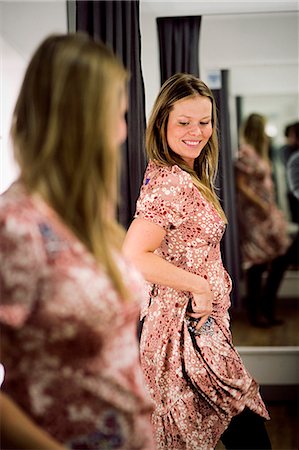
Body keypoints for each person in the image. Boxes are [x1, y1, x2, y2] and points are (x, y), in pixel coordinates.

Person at [0, 33, 155, 450]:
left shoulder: (88, 221)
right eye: (118, 115)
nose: (124, 132)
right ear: (78, 120)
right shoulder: (14, 226)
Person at [122, 73, 271, 450]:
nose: (197, 131)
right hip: (182, 334)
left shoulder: (185, 175)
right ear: (162, 124)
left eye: (204, 122)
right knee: (247, 432)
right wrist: (199, 286)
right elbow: (134, 253)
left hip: (200, 329)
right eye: (184, 122)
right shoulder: (170, 181)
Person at [235, 113, 291, 327]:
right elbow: (241, 185)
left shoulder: (261, 153)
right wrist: (259, 203)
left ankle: (267, 308)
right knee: (257, 263)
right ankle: (256, 313)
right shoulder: (246, 153)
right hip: (254, 215)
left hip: (267, 213)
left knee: (279, 256)